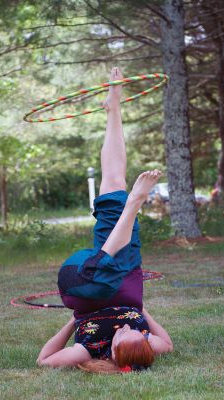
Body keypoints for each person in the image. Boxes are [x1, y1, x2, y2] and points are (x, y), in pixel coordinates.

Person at [37, 67, 173, 373]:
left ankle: (133, 204)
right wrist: (142, 313)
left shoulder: (88, 350)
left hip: (86, 290)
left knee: (103, 259)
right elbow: (168, 344)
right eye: (138, 333)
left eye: (127, 334)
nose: (131, 329)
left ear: (113, 350)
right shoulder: (144, 345)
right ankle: (114, 113)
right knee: (113, 181)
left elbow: (43, 360)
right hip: (127, 281)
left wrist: (72, 323)